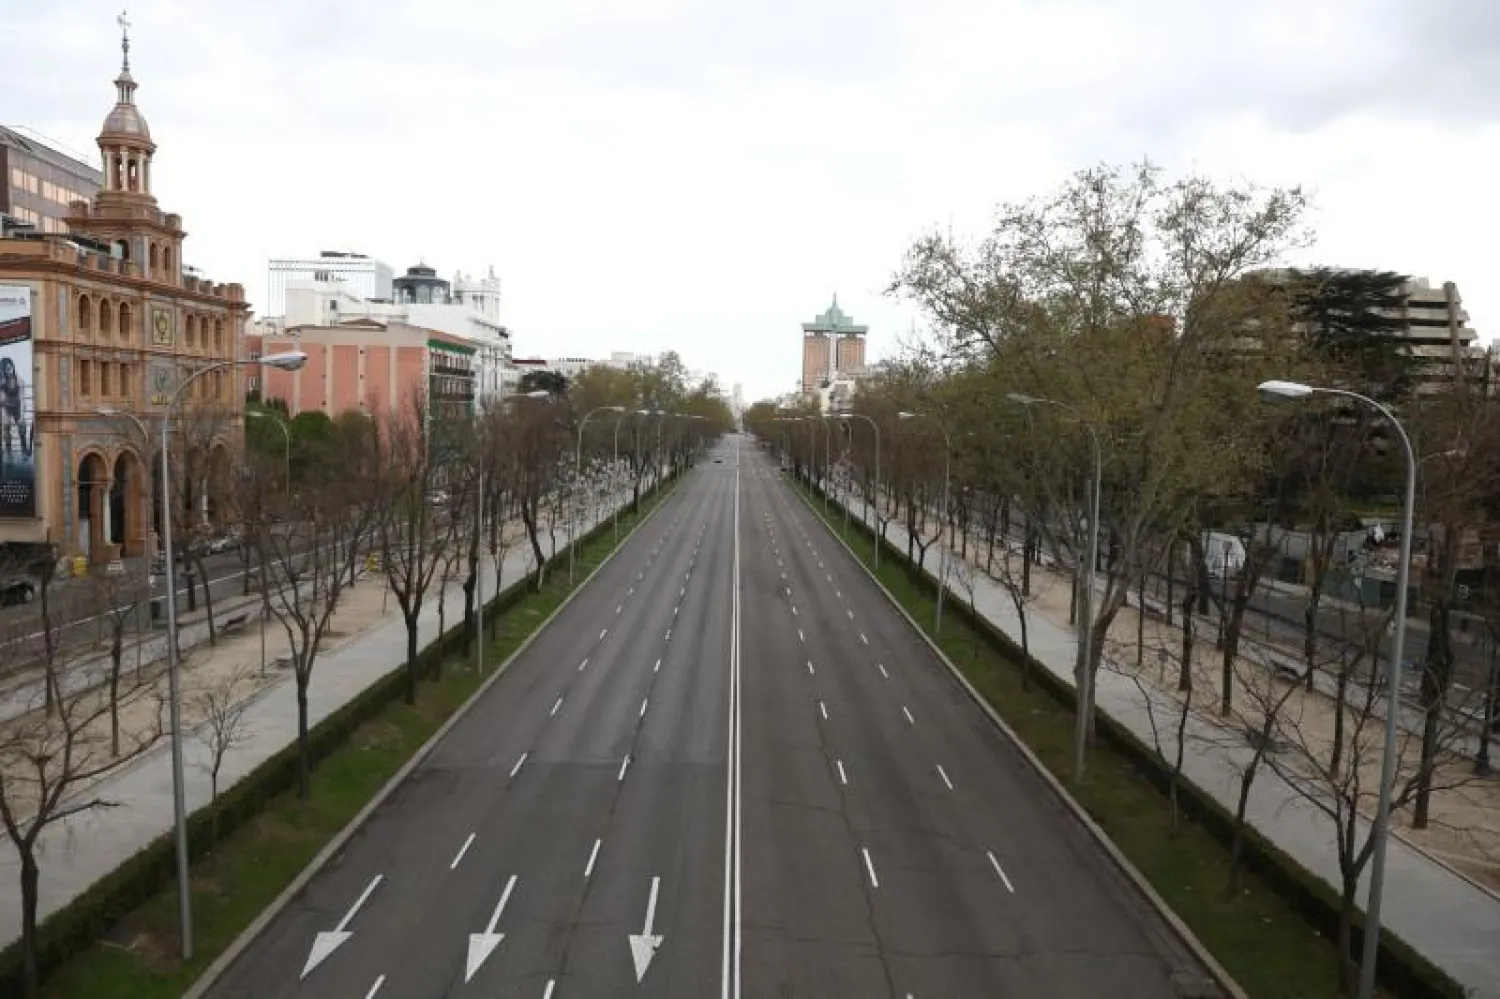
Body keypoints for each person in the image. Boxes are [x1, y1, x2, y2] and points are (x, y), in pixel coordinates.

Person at [0, 357, 27, 459]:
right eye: (6, 368)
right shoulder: (2, 382)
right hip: (6, 407)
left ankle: (24, 451)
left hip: (17, 406)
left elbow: (22, 399)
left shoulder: (19, 381)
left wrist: (22, 417)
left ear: (13, 366)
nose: (9, 369)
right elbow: (2, 401)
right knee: (6, 427)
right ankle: (9, 454)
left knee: (22, 427)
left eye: (10, 366)